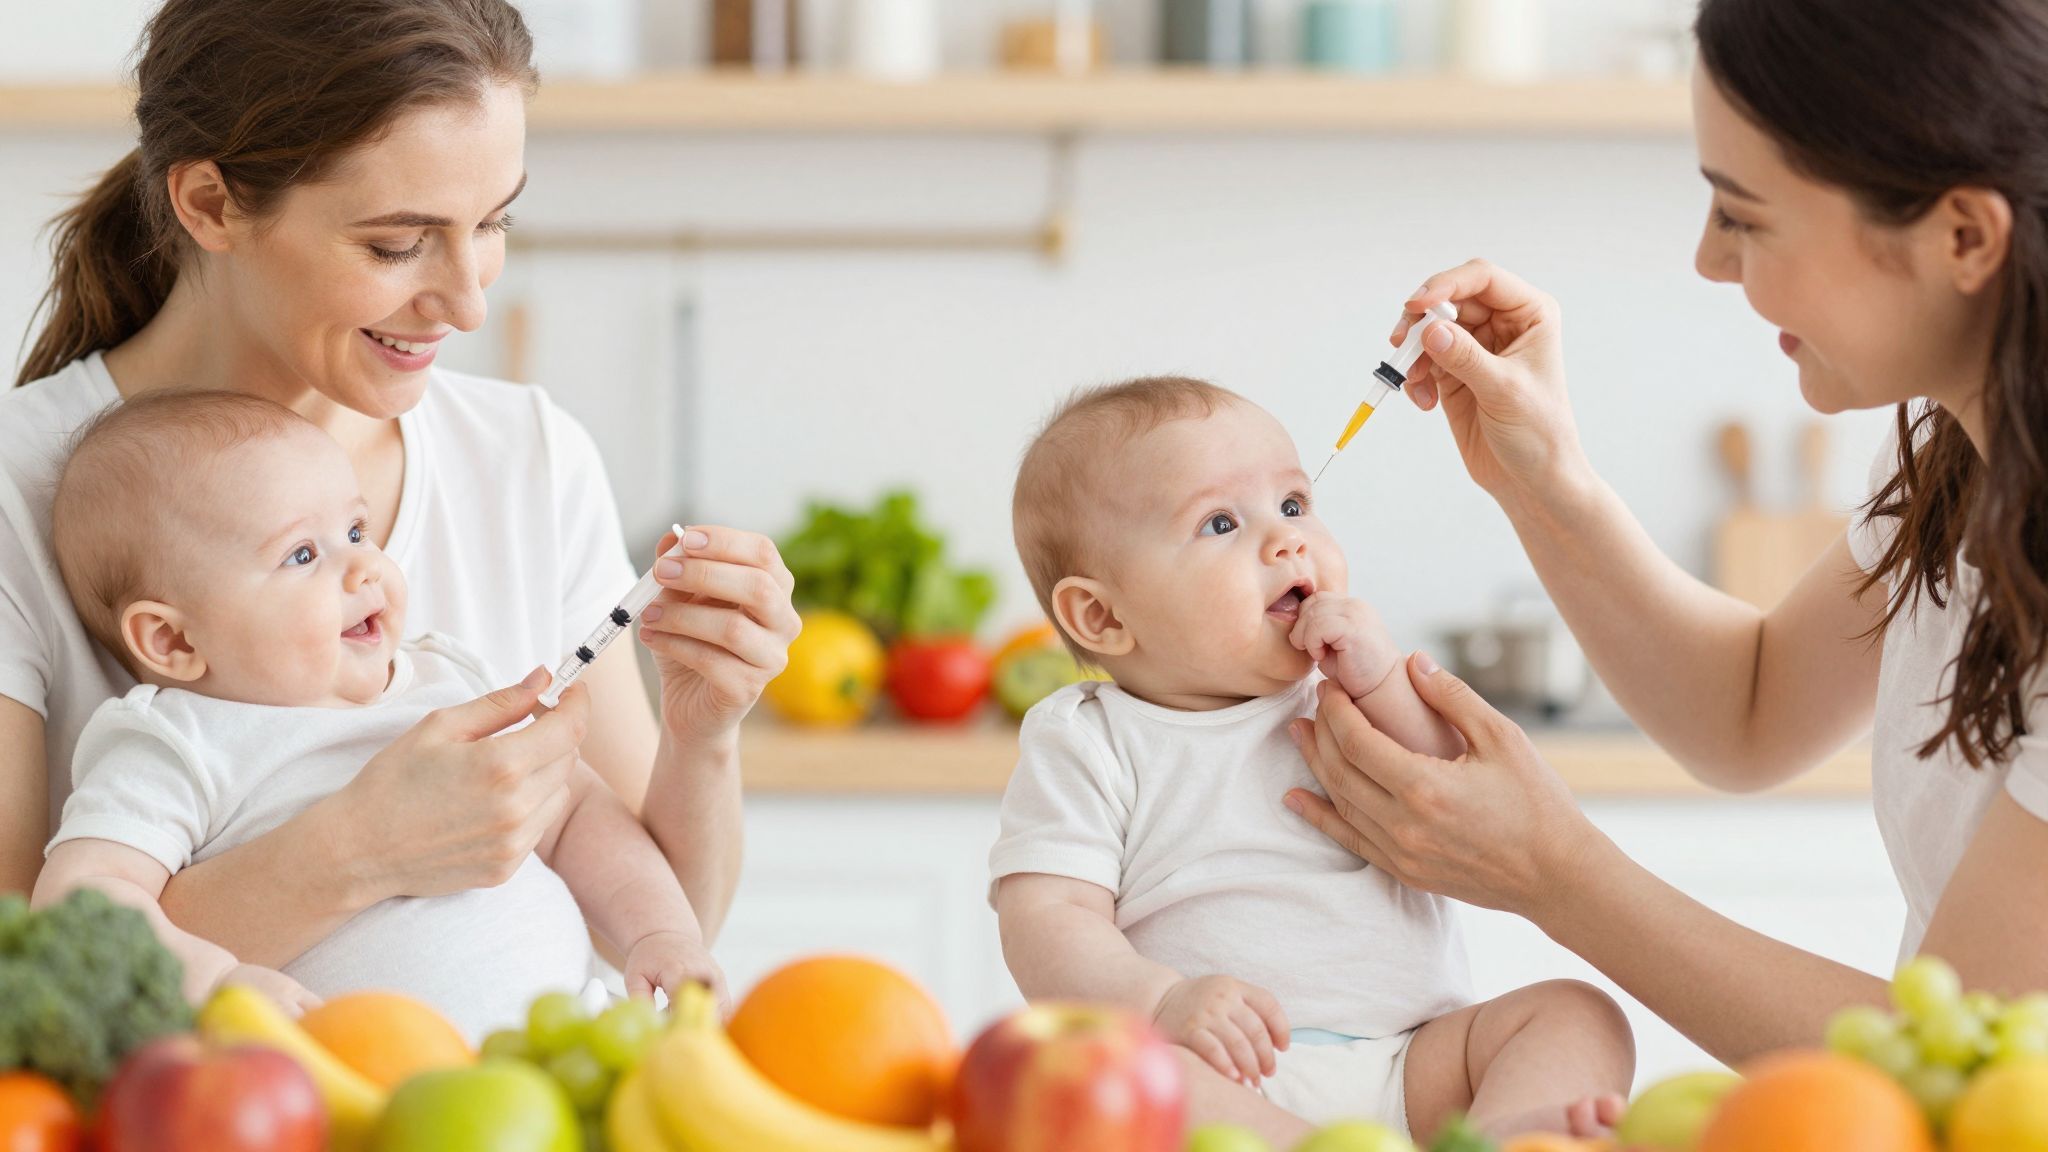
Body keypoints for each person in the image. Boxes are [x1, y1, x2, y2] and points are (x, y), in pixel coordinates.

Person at [1284, 0, 2048, 1072]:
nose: (1707, 261)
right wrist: (1542, 480)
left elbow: (1969, 1064)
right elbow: (1747, 710)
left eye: (1743, 216)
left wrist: (1550, 871)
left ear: (1961, 236)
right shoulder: (1956, 447)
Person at [1, 0, 799, 972]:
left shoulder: (529, 459)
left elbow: (648, 938)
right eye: (394, 244)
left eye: (494, 220)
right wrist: (356, 852)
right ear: (210, 203)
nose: (468, 299)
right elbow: (30, 983)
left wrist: (703, 735)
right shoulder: (18, 488)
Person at [990, 377, 1634, 1145]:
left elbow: (1467, 793)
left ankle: (1505, 1138)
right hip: (1224, 1077)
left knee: (1577, 1013)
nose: (1287, 540)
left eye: (1294, 505)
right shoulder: (1088, 737)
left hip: (1416, 1062)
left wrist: (1387, 683)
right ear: (1102, 614)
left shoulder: (1351, 693)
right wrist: (1159, 1003)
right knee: (1096, 1070)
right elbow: (1047, 920)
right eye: (1221, 522)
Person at [34, 393, 725, 1035]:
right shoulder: (176, 743)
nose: (363, 568)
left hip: (565, 1055)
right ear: (174, 641)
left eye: (357, 530)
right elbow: (81, 906)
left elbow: (574, 814)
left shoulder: (444, 677)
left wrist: (659, 931)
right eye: (302, 554)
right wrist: (214, 982)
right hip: (364, 1102)